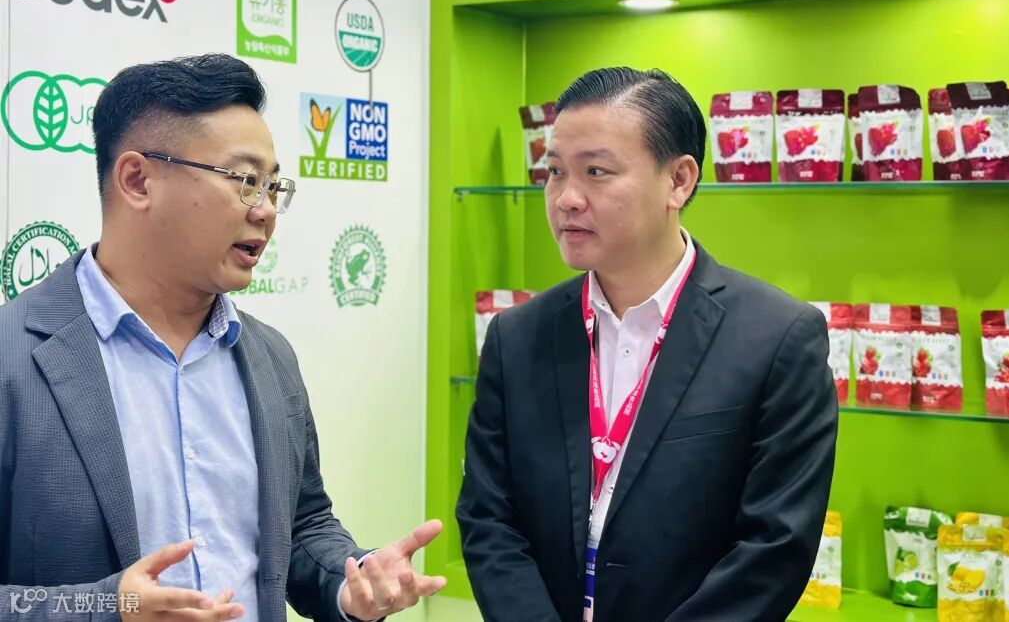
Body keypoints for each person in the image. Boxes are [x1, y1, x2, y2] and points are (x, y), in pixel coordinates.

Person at [0, 55, 445, 622]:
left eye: (272, 186)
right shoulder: (14, 357)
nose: (266, 211)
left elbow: (303, 525)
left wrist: (349, 581)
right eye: (245, 182)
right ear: (137, 180)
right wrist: (110, 606)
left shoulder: (269, 356)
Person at [458, 67, 838, 622]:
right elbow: (490, 519)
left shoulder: (778, 337)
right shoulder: (517, 336)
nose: (566, 198)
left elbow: (773, 550)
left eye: (596, 171)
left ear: (678, 180)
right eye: (555, 171)